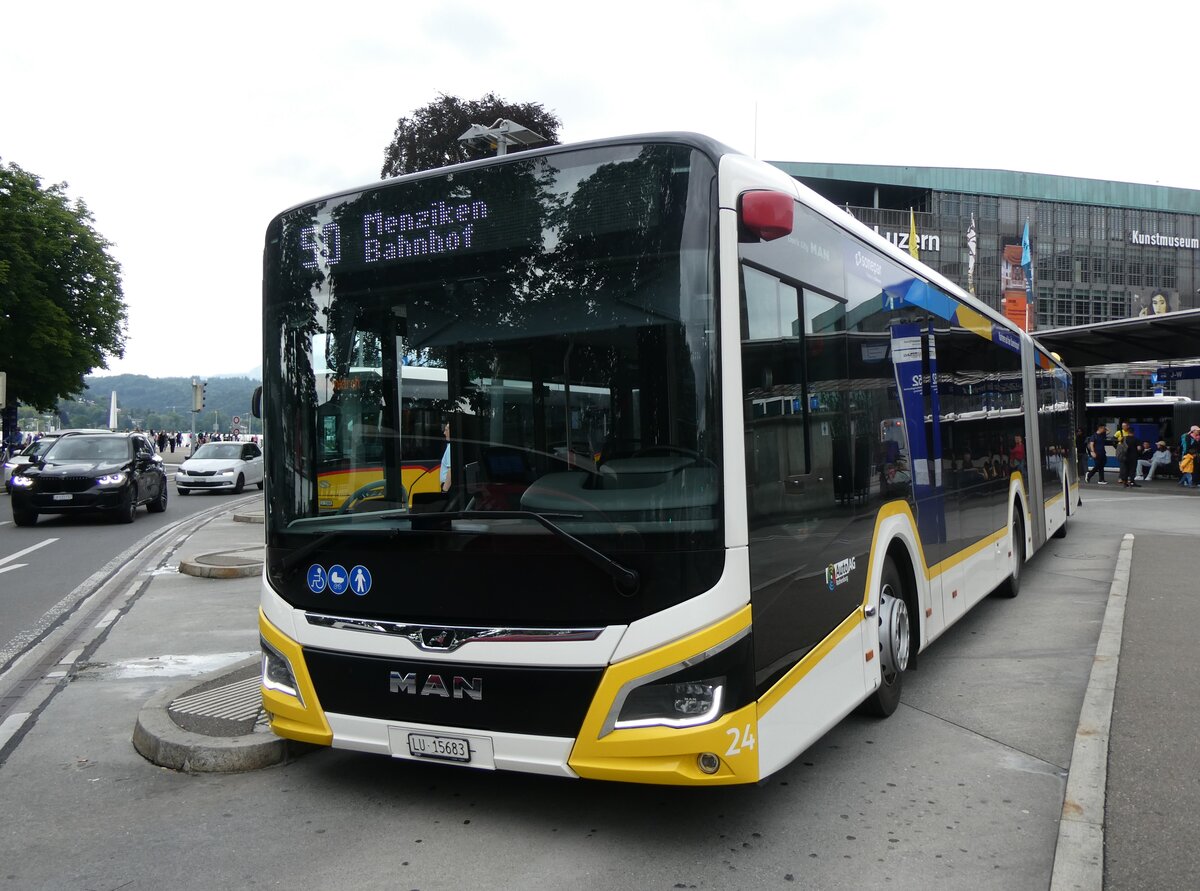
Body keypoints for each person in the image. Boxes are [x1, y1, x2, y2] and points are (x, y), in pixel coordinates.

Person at [1114, 421, 1142, 487]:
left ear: (1128, 432)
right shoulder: (1136, 440)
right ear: (1133, 432)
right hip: (1133, 457)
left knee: (1125, 469)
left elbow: (1120, 446)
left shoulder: (1124, 439)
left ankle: (1125, 482)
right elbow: (1139, 448)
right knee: (1132, 470)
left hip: (1125, 456)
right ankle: (1132, 482)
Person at [439, 422, 451, 492]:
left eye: (446, 430)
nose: (444, 433)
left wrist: (444, 490)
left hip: (447, 487)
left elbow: (450, 470)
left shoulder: (450, 447)